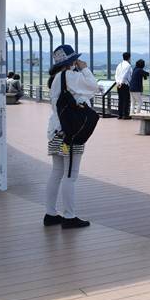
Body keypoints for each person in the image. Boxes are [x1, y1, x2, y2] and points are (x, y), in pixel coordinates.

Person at [44, 44, 98, 229]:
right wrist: (84, 68)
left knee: (57, 173)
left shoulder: (56, 78)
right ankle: (69, 216)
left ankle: (50, 213)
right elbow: (93, 87)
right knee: (70, 175)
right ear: (71, 61)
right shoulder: (71, 76)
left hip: (55, 132)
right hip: (70, 134)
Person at [114, 52, 132, 120]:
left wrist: (117, 82)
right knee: (126, 100)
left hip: (118, 84)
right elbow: (125, 74)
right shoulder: (128, 65)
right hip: (125, 84)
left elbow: (116, 74)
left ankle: (120, 115)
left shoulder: (119, 65)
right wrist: (121, 82)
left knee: (120, 99)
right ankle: (125, 115)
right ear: (129, 57)